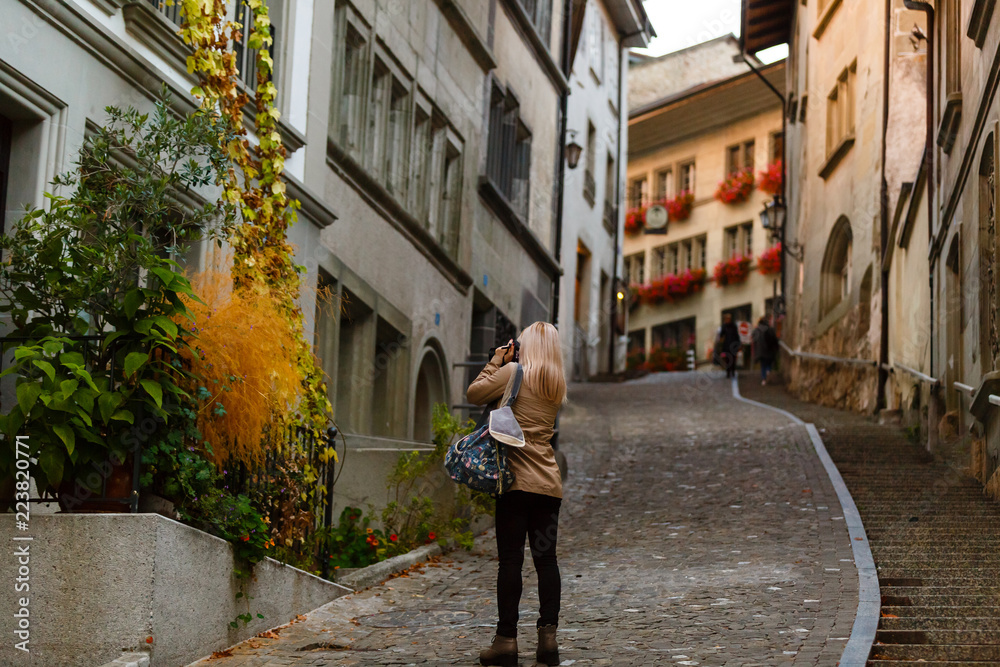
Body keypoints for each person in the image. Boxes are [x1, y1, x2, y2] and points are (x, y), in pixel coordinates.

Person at [467, 322, 567, 667]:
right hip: (549, 486)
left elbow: (474, 393)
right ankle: (548, 642)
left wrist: (496, 359)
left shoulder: (512, 371)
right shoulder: (556, 383)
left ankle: (506, 641)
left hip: (515, 483)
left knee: (511, 561)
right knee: (547, 561)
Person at [752, 316, 779, 385]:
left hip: (760, 351)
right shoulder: (770, 329)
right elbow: (775, 340)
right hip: (769, 350)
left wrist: (755, 353)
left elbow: (754, 341)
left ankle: (763, 379)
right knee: (769, 363)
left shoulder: (756, 330)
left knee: (763, 365)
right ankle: (768, 371)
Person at [716, 314, 741, 379]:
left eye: (728, 318)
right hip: (726, 346)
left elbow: (737, 336)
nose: (727, 320)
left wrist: (738, 344)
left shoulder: (733, 326)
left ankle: (732, 372)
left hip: (733, 346)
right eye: (726, 319)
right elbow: (721, 335)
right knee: (727, 360)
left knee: (733, 359)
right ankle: (728, 372)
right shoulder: (724, 326)